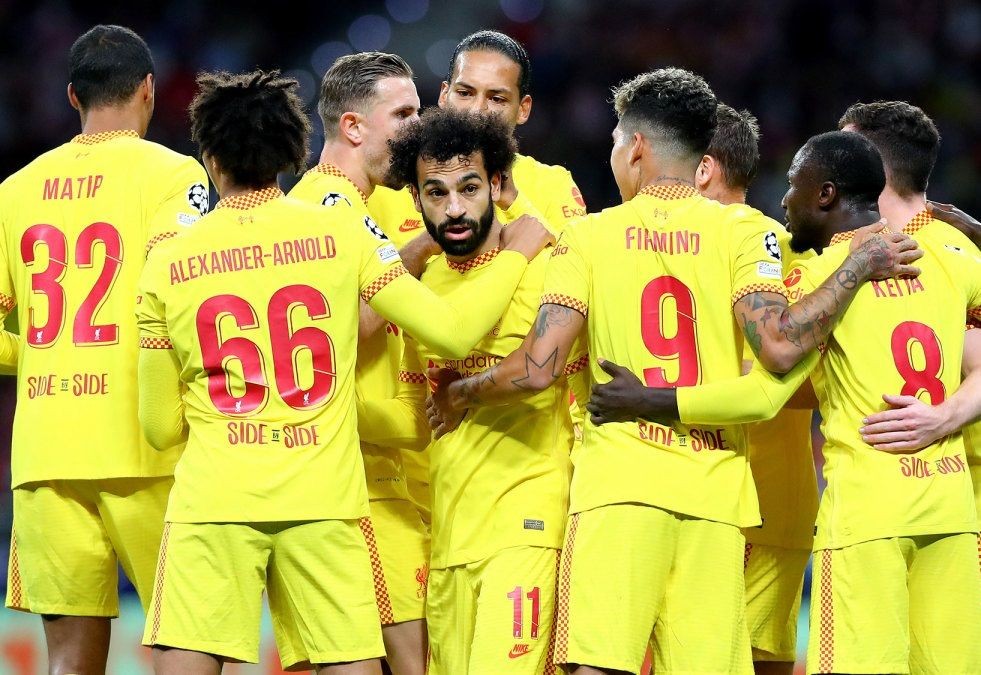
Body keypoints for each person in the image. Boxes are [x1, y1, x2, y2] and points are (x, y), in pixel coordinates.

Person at [426, 70, 918, 674]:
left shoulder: (588, 236)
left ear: (635, 146)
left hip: (618, 489)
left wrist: (461, 392)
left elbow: (535, 369)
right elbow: (779, 347)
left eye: (615, 141)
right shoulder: (747, 232)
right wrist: (862, 264)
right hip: (714, 492)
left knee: (596, 664)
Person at [137, 69, 551, 674]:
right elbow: (452, 331)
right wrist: (517, 254)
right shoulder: (339, 234)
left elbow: (158, 427)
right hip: (324, 499)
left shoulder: (167, 261)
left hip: (213, 498)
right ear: (291, 151)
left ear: (211, 159)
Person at [590, 130, 981, 674]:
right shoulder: (950, 257)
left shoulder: (818, 285)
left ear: (825, 194)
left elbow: (763, 393)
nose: (784, 199)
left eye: (794, 185)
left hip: (868, 516)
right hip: (951, 511)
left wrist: (650, 399)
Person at [0, 24, 208, 674]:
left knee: (67, 661)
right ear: (148, 89)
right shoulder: (176, 175)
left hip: (46, 453)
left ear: (72, 95)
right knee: (184, 644)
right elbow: (182, 293)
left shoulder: (15, 189)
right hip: (147, 445)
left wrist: (43, 353)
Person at [360, 106, 586, 674]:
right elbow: (421, 412)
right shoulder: (424, 285)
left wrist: (462, 393)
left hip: (527, 524)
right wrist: (336, 414)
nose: (455, 208)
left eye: (468, 188)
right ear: (415, 199)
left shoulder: (547, 266)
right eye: (436, 193)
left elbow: (541, 371)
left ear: (496, 184)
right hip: (449, 538)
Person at [368, 29, 587, 528]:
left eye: (497, 98)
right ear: (444, 95)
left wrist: (518, 206)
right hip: (412, 464)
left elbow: (580, 288)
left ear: (523, 109)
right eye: (466, 92)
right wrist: (426, 244)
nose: (477, 110)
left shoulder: (550, 186)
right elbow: (360, 310)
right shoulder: (393, 189)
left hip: (520, 457)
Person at [288, 51, 435, 675]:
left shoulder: (347, 204)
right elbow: (337, 330)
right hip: (353, 480)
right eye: (403, 115)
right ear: (352, 126)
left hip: (367, 471)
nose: (418, 128)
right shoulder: (327, 206)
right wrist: (422, 251)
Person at [698, 104, 817, 675]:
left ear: (702, 167)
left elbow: (810, 375)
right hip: (760, 497)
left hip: (750, 495)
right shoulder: (794, 249)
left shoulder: (765, 246)